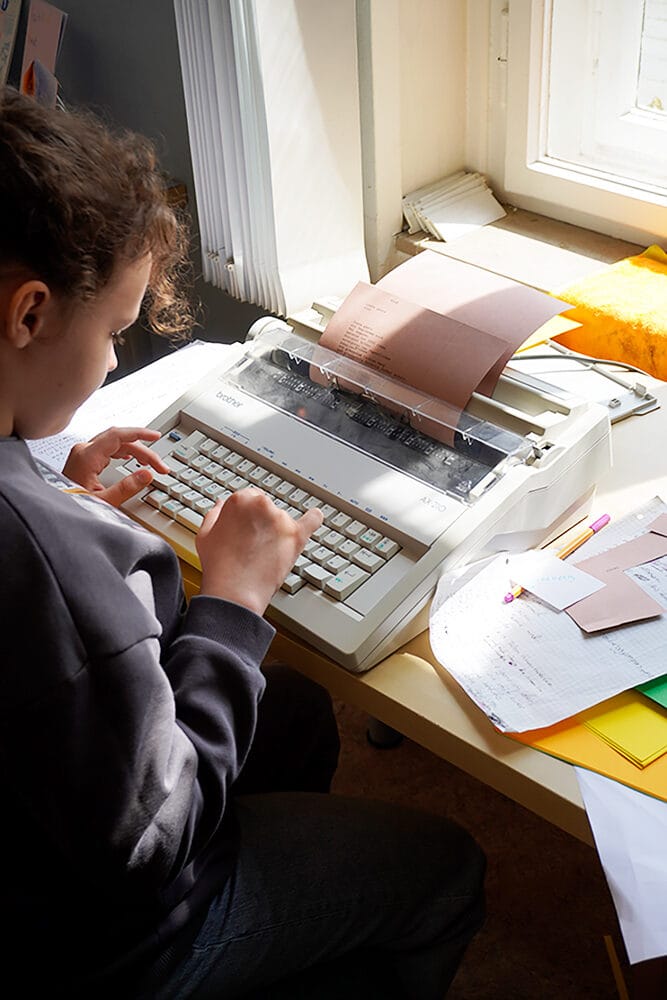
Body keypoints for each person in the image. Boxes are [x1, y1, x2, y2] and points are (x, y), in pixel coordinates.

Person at [0, 85, 485, 999]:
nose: (113, 360)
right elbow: (151, 839)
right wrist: (231, 602)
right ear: (29, 314)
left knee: (293, 711)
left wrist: (59, 495)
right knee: (445, 864)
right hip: (94, 939)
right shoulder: (43, 557)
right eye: (114, 331)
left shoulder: (29, 508)